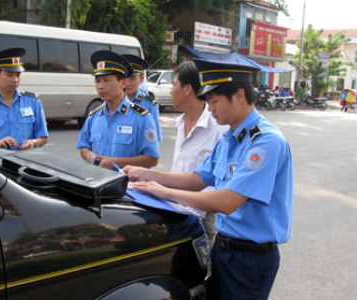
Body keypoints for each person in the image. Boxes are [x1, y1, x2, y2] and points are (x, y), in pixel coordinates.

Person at [123, 59, 293, 300]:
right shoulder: (230, 138)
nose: (210, 108)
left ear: (239, 96)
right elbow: (198, 178)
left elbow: (227, 201)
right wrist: (148, 174)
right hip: (224, 250)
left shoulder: (264, 142)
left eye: (214, 101)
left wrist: (165, 192)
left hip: (249, 258)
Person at [169, 61, 228, 278]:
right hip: (176, 209)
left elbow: (216, 180)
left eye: (173, 84)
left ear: (188, 89)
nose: (169, 90)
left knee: (205, 274)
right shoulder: (180, 122)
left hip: (203, 216)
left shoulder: (218, 127)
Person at [76, 50, 160, 170]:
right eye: (98, 80)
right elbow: (83, 146)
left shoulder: (141, 118)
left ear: (123, 83)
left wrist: (116, 162)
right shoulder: (94, 116)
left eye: (106, 80)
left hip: (127, 186)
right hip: (97, 183)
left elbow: (152, 158)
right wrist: (89, 155)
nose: (100, 86)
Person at [0, 47, 48, 151]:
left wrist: (33, 142)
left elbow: (43, 138)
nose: (15, 80)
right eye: (9, 75)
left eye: (18, 75)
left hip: (27, 163)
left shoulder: (33, 102)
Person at [122, 54, 162, 141]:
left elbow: (154, 140)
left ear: (141, 79)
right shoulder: (113, 102)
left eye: (132, 78)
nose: (128, 83)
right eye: (125, 78)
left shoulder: (150, 105)